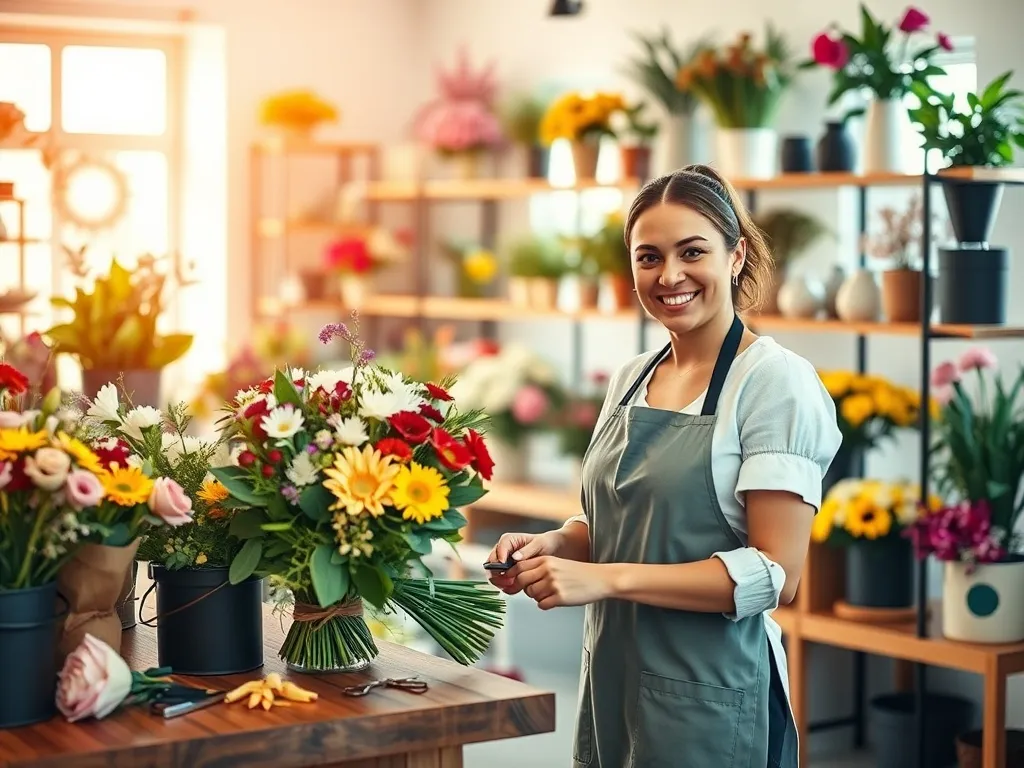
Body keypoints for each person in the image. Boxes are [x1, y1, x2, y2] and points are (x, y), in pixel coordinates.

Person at [486, 164, 842, 768]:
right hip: (614, 682)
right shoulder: (633, 378)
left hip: (709, 693)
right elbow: (630, 523)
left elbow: (776, 575)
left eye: (692, 251)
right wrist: (558, 544)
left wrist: (605, 579)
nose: (669, 275)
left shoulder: (775, 383)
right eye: (648, 257)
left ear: (737, 255)